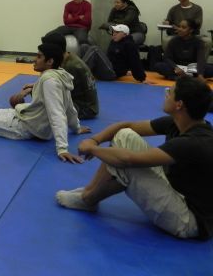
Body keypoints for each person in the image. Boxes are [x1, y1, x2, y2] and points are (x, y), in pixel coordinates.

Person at [56, 77, 213, 241]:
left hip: (189, 221)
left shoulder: (193, 142)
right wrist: (94, 140)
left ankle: (87, 199)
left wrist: (93, 149)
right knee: (125, 136)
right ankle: (89, 192)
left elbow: (127, 160)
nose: (166, 94)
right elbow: (126, 126)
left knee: (125, 163)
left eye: (170, 92)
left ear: (179, 104)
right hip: (177, 190)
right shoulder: (181, 124)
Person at [41, 32, 99, 119]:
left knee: (45, 109)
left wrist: (35, 89)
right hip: (80, 101)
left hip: (86, 108)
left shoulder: (71, 67)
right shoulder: (67, 57)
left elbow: (56, 93)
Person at [82, 24, 147, 83]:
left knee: (95, 49)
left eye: (117, 32)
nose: (114, 34)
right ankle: (83, 73)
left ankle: (79, 74)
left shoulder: (130, 45)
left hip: (111, 74)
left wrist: (142, 78)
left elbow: (135, 62)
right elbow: (109, 58)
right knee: (84, 46)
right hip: (107, 69)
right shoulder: (114, 41)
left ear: (124, 34)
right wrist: (124, 72)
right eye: (114, 32)